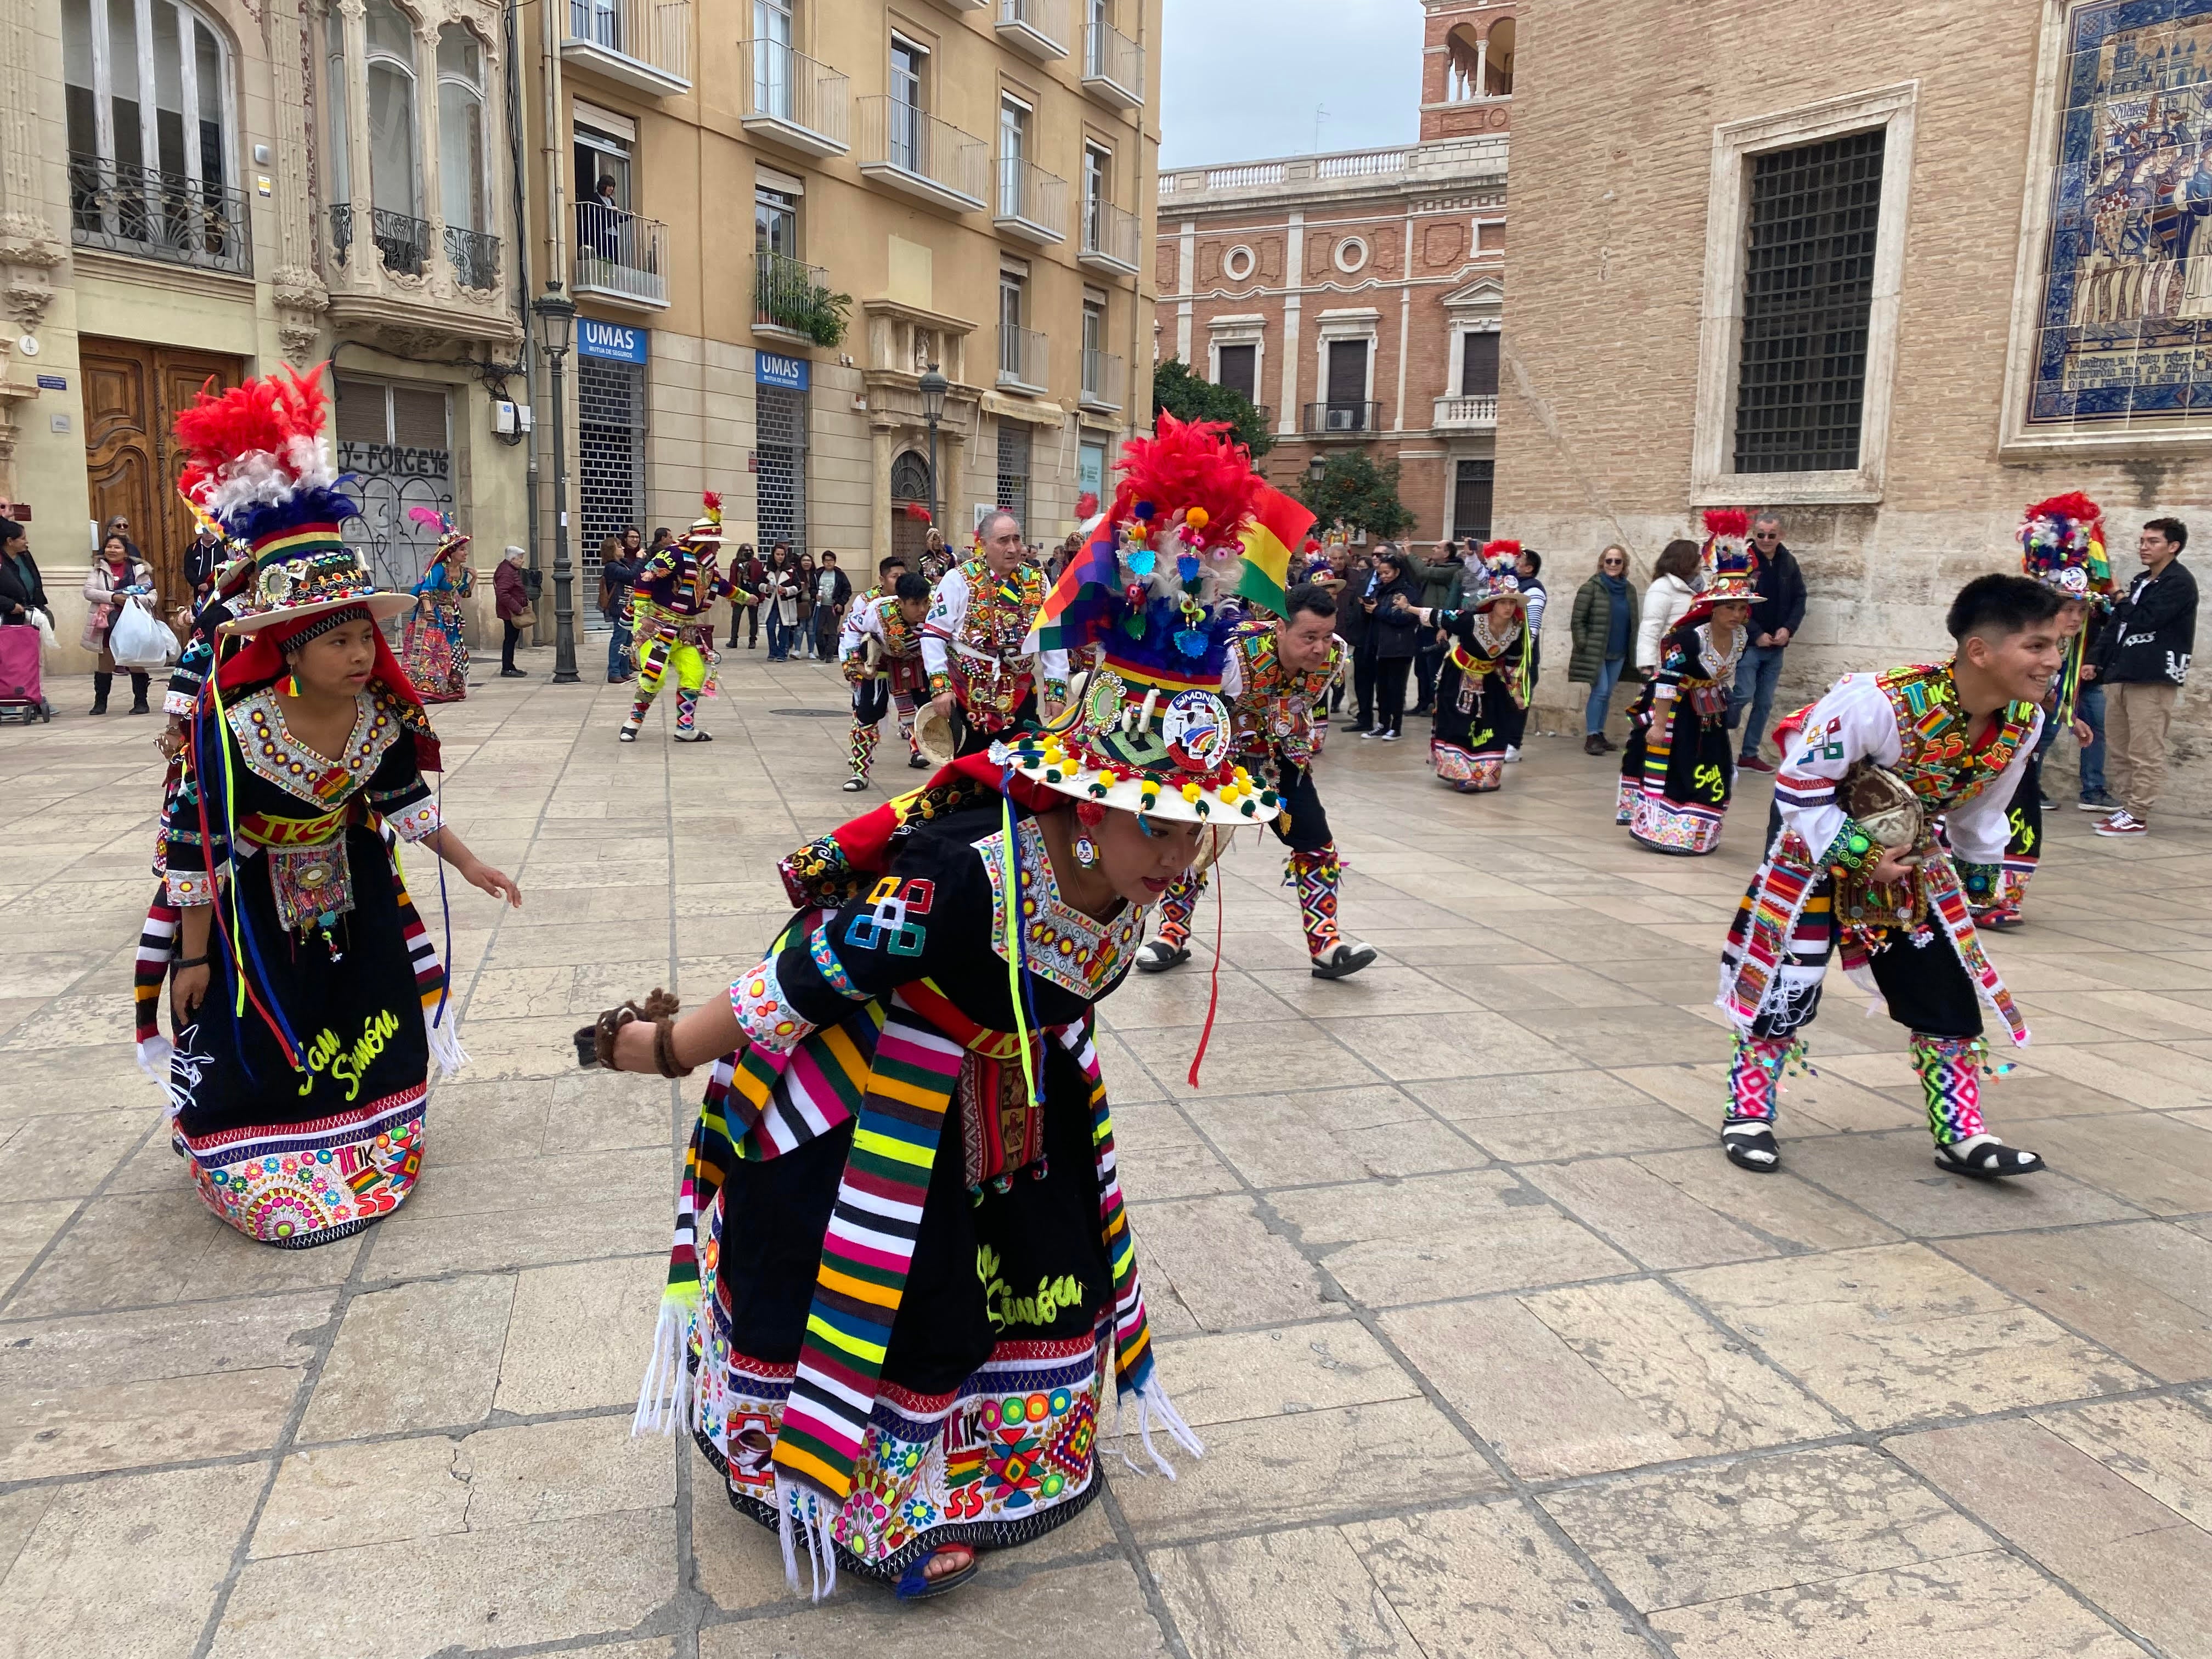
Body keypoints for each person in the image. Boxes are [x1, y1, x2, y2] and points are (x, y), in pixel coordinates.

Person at [589, 417, 1268, 1602]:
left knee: (1039, 1265)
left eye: (1199, 827)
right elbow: (792, 987)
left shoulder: (1127, 875)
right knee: (904, 1297)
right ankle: (856, 1503)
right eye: (1158, 822)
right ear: (1081, 801)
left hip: (1018, 1099)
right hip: (879, 1103)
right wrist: (659, 1051)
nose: (1184, 856)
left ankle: (994, 1464)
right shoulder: (964, 879)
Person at [144, 365, 520, 1248]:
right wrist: (192, 958)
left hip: (353, 881)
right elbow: (196, 847)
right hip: (253, 905)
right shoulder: (233, 730)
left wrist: (468, 863)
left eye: (366, 635)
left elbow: (399, 800)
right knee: (264, 1024)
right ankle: (262, 1158)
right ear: (291, 649)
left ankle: (372, 1142)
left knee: (363, 1004)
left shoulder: (380, 715)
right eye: (342, 639)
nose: (363, 654)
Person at [1718, 573, 2059, 1181]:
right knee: (1788, 975)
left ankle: (1960, 1133)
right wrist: (1857, 854)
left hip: (1907, 852)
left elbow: (1984, 808)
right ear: (1979, 650)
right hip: (1815, 836)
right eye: (2037, 646)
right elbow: (1800, 787)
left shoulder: (2023, 722)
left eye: (2054, 645)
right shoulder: (1878, 701)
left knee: (1945, 981)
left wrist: (1979, 880)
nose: (2053, 661)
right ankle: (1748, 1113)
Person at [1139, 582, 1378, 980]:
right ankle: (1171, 935)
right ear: (1280, 628)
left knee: (1316, 843)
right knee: (1190, 842)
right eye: (1308, 638)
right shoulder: (1235, 656)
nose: (1319, 648)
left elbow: (1306, 703)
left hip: (1281, 758)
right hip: (1220, 757)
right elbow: (1194, 704)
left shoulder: (1336, 654)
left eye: (1324, 636)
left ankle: (1326, 945)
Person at [1977, 493, 2111, 929]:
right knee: (1980, 813)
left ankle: (2004, 899)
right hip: (1991, 736)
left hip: (2020, 740)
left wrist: (2070, 717)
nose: (2076, 618)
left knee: (2023, 817)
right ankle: (1976, 894)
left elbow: (2045, 690)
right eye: (2069, 610)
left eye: (2081, 610)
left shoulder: (2060, 644)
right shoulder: (2019, 637)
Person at [1618, 517, 1756, 854]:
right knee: (1677, 761)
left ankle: (1699, 831)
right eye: (1729, 607)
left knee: (1712, 763)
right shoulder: (1687, 640)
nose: (1737, 614)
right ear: (1712, 608)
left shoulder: (1741, 637)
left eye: (1742, 607)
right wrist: (1660, 725)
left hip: (1710, 708)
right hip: (1676, 706)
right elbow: (1667, 681)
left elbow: (1725, 676)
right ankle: (1663, 830)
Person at [921, 508, 1068, 756]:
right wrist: (940, 687)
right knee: (968, 771)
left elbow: (1052, 639)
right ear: (983, 544)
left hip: (1019, 691)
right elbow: (934, 635)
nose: (1013, 548)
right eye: (1003, 541)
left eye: (1016, 539)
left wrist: (1057, 691)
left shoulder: (1039, 581)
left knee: (1025, 763)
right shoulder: (959, 579)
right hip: (968, 691)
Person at [2092, 515, 2194, 838]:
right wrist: (2095, 660)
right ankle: (2127, 807)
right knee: (2120, 746)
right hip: (2123, 672)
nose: (2144, 547)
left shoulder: (2179, 582)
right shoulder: (2141, 581)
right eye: (2142, 541)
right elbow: (2117, 626)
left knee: (2145, 748)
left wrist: (2119, 596)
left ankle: (2138, 813)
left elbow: (2143, 619)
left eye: (2153, 542)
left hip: (2153, 675)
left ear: (2173, 547)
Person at [1412, 542, 1528, 791]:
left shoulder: (1516, 630)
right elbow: (1440, 616)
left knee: (1492, 723)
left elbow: (1513, 661)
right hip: (1459, 675)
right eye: (1503, 602)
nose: (1508, 607)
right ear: (1492, 604)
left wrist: (1516, 692)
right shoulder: (1472, 621)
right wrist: (1408, 608)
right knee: (1459, 722)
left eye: (1512, 603)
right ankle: (1460, 774)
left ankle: (1486, 774)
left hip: (1490, 678)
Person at [622, 495, 735, 744]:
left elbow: (722, 586)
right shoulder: (674, 555)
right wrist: (641, 612)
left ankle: (685, 728)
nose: (718, 548)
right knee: (654, 676)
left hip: (684, 632)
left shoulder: (708, 568)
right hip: (657, 627)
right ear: (702, 543)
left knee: (695, 673)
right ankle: (633, 721)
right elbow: (646, 576)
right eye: (715, 543)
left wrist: (748, 597)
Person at [1729, 514, 1807, 774]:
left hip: (1776, 647)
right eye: (1760, 534)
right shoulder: (1743, 561)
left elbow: (1800, 598)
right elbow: (1735, 601)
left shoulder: (1788, 562)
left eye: (1771, 535)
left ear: (1780, 536)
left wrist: (1788, 629)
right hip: (1750, 645)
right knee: (1743, 694)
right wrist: (1756, 634)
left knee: (1764, 703)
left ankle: (1749, 755)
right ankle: (1716, 730)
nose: (1765, 540)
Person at [839, 568, 930, 790]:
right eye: (915, 604)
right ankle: (860, 772)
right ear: (900, 603)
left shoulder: (938, 606)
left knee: (929, 710)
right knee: (869, 712)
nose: (922, 610)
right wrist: (853, 663)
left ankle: (923, 753)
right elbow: (851, 628)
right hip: (881, 660)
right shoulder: (877, 610)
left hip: (917, 661)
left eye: (924, 603)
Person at [1569, 545, 1639, 753]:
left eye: (1618, 561)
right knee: (1600, 692)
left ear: (1624, 564)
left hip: (1619, 651)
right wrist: (1584, 644)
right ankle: (1592, 737)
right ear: (1602, 563)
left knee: (1607, 693)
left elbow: (1633, 621)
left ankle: (1599, 733)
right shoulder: (1591, 587)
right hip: (1596, 651)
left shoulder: (1629, 590)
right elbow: (1577, 621)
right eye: (1609, 561)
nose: (1613, 565)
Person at [398, 510, 473, 704]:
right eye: (462, 550)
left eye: (466, 550)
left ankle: (451, 689)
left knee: (453, 648)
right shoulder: (439, 570)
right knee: (432, 650)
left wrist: (475, 579)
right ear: (451, 552)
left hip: (451, 616)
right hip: (432, 614)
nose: (466, 553)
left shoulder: (463, 572)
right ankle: (426, 690)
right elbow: (426, 591)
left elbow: (465, 593)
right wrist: (430, 612)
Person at [83, 531, 159, 714]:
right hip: (106, 622)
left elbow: (151, 595)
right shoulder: (98, 569)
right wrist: (113, 597)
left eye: (117, 547)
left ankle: (141, 702)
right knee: (105, 662)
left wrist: (133, 601)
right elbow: (89, 592)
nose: (112, 550)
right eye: (109, 546)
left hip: (132, 622)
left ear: (125, 552)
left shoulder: (139, 570)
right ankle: (100, 703)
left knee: (134, 660)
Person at [1355, 548, 1422, 741]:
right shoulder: (1380, 589)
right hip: (1379, 646)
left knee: (1396, 689)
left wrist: (1377, 610)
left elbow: (1403, 616)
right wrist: (1367, 607)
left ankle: (1396, 727)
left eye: (1387, 573)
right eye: (1380, 573)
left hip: (1399, 648)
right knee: (1382, 689)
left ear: (1397, 571)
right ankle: (1382, 724)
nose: (1383, 576)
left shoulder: (1407, 592)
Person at [1400, 539, 1462, 717]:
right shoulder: (1436, 567)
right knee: (1420, 667)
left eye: (1437, 547)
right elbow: (1417, 575)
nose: (1433, 549)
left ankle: (1435, 704)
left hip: (1438, 625)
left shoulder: (1452, 570)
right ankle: (1422, 702)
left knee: (1432, 668)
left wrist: (1410, 554)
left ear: (1447, 554)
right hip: (1424, 622)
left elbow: (1423, 572)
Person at [1636, 539, 1702, 676]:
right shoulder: (1662, 587)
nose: (1701, 562)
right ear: (1686, 560)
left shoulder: (1700, 587)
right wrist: (1647, 665)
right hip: (1670, 659)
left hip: (1695, 658)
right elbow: (1651, 626)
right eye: (1698, 558)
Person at [601, 533, 643, 684]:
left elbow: (635, 575)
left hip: (628, 607)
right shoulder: (611, 567)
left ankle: (624, 670)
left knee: (627, 640)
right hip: (619, 607)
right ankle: (614, 672)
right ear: (611, 550)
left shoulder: (622, 563)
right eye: (619, 546)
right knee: (619, 639)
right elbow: (630, 575)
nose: (623, 548)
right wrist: (638, 559)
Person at [493, 546, 530, 677]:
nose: (522, 561)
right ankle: (507, 668)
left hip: (510, 611)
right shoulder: (507, 572)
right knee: (510, 639)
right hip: (510, 612)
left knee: (511, 638)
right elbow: (502, 593)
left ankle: (510, 666)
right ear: (513, 559)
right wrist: (517, 608)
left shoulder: (509, 569)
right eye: (520, 559)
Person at [812, 550, 851, 662]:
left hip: (833, 607)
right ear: (823, 562)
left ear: (835, 562)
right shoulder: (818, 574)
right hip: (820, 607)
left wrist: (841, 603)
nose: (829, 563)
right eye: (826, 561)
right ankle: (822, 652)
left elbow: (847, 590)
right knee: (818, 630)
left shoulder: (840, 575)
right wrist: (815, 595)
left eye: (831, 561)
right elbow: (812, 589)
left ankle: (830, 655)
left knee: (832, 632)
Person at [765, 544, 800, 661]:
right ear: (773, 555)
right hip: (772, 603)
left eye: (782, 554)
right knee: (770, 627)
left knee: (784, 628)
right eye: (778, 554)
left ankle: (782, 653)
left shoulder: (791, 570)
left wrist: (786, 590)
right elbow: (759, 584)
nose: (780, 557)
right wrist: (766, 587)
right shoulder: (767, 569)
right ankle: (773, 651)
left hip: (786, 603)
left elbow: (798, 587)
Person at [727, 541, 766, 650]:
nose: (748, 553)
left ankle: (752, 640)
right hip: (739, 594)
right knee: (736, 617)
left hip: (753, 593)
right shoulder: (735, 564)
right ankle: (733, 640)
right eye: (745, 551)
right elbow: (732, 579)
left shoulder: (756, 563)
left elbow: (760, 578)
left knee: (753, 618)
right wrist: (731, 595)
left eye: (750, 551)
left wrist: (760, 594)